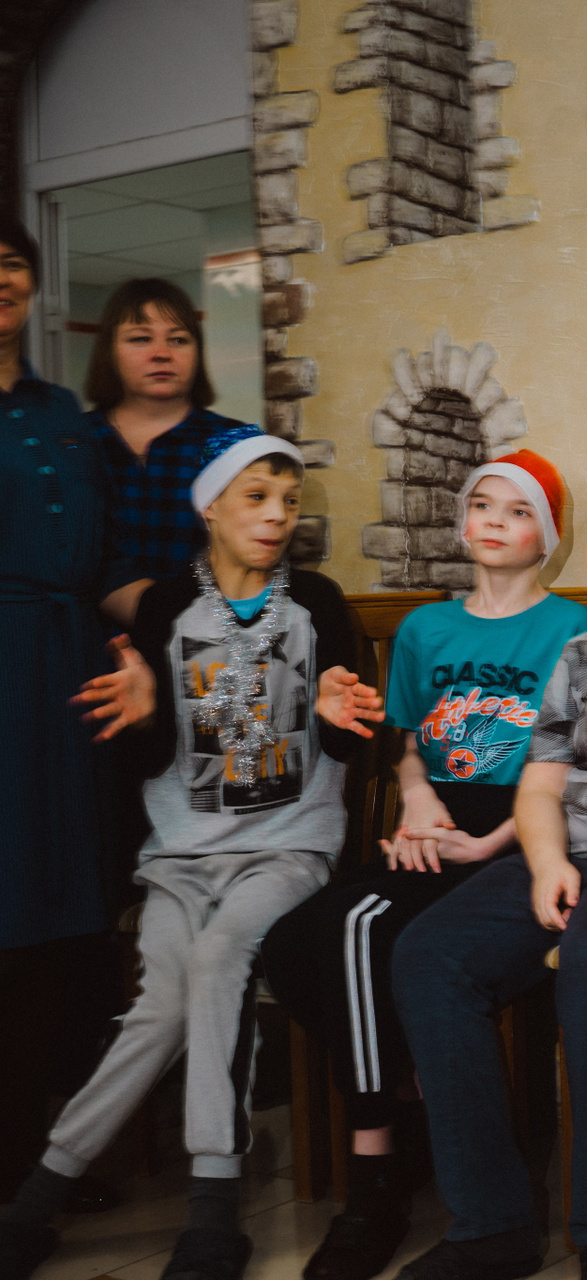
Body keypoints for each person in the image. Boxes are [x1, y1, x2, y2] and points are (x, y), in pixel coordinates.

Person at [0, 425, 384, 1280]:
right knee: (161, 1005)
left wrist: (334, 713)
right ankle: (37, 1203)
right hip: (181, 856)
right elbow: (146, 764)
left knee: (218, 963)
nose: (277, 515)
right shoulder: (167, 606)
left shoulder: (317, 603)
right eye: (257, 497)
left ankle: (213, 1213)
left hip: (287, 850)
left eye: (290, 501)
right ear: (210, 507)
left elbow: (346, 746)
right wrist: (142, 717)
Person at [260, 452, 587, 1280]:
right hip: (432, 825)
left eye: (518, 511)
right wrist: (414, 798)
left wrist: (492, 841)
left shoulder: (570, 630)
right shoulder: (424, 630)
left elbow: (571, 771)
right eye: (482, 504)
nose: (494, 521)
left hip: (518, 827)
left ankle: (375, 1171)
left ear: (548, 536)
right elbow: (411, 744)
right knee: (293, 942)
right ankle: (405, 1103)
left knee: (358, 928)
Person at [385, 461, 587, 1280]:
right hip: (574, 852)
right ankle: (491, 1223)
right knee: (430, 954)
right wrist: (543, 864)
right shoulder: (579, 658)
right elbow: (539, 786)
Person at [0, 216, 130, 1205]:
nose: (0, 279)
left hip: (74, 666)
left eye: (12, 263)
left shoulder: (64, 415)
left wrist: (146, 646)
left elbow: (112, 554)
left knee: (80, 898)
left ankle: (70, 1148)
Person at [85, 277, 248, 629]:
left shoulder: (236, 444)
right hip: (86, 646)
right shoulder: (72, 441)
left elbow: (255, 559)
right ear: (110, 350)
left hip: (210, 639)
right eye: (140, 339)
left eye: (178, 339)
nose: (161, 353)